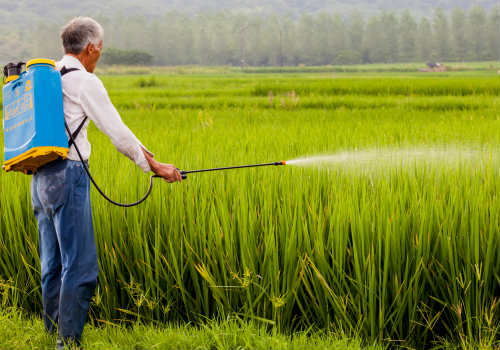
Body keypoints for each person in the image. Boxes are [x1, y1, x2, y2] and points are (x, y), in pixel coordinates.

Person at [30, 16, 182, 349]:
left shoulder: (49, 75)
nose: (100, 54)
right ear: (92, 47)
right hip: (68, 176)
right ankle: (67, 343)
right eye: (100, 49)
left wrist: (150, 158)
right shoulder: (85, 82)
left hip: (40, 178)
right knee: (81, 267)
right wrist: (153, 167)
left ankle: (51, 332)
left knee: (52, 263)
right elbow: (117, 132)